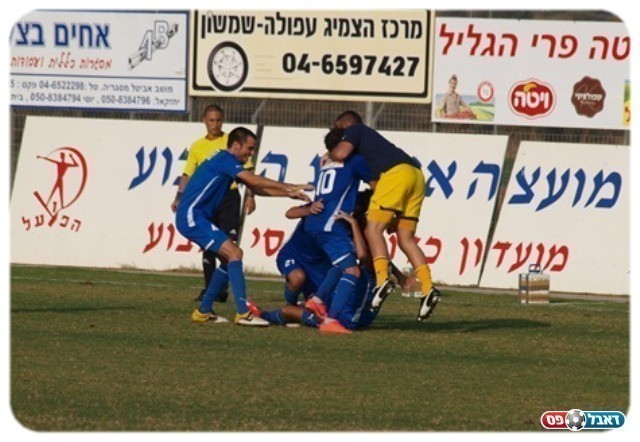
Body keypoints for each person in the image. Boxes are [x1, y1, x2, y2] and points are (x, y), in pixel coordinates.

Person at [175, 127, 313, 326]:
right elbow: (254, 179)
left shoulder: (227, 161)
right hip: (192, 217)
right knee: (235, 253)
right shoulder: (225, 159)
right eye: (249, 148)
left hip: (198, 216)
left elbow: (255, 187)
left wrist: (287, 194)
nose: (251, 153)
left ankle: (203, 311)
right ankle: (243, 313)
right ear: (236, 146)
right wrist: (289, 186)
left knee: (228, 260)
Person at [329, 111, 441, 322]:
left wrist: (329, 156)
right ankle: (428, 288)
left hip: (396, 174)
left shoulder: (355, 130)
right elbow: (375, 185)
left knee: (372, 230)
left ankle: (382, 281)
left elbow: (340, 153)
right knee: (406, 239)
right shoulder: (372, 149)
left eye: (337, 129)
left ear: (345, 125)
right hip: (416, 176)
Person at [171, 104, 256, 304]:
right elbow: (188, 173)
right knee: (210, 247)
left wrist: (250, 196)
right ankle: (212, 291)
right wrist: (179, 197)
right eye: (211, 120)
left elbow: (249, 174)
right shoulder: (197, 146)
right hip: (208, 199)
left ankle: (220, 294)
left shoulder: (233, 143)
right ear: (204, 121)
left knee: (230, 247)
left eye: (219, 120)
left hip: (229, 198)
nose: (215, 124)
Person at [302, 135, 373, 334]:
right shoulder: (354, 161)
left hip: (316, 222)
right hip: (331, 224)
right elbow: (375, 180)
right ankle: (330, 320)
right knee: (352, 271)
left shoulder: (324, 162)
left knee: (341, 263)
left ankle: (316, 300)